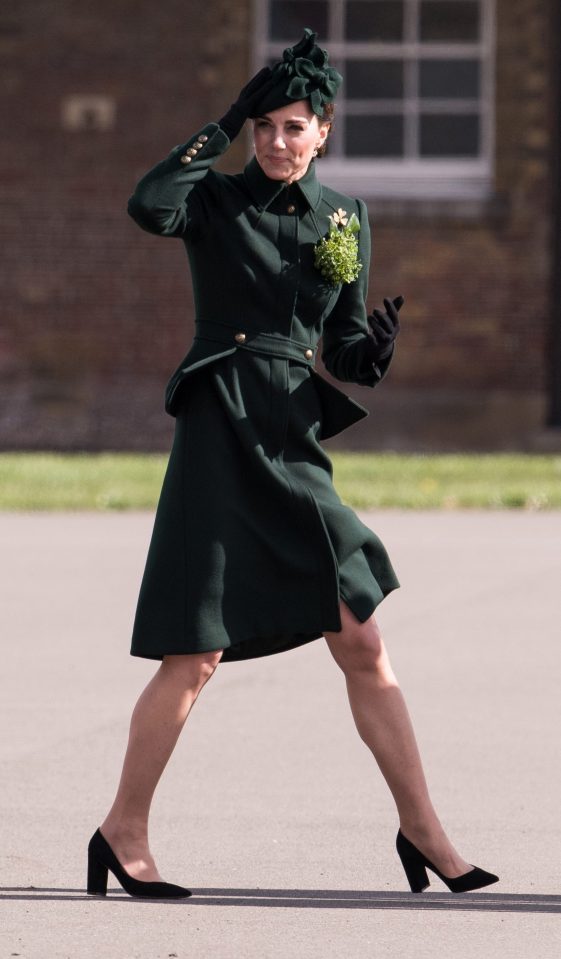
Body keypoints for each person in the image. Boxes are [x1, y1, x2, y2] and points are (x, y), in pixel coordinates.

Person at [87, 29, 498, 899]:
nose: (277, 140)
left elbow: (340, 346)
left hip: (289, 434)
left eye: (295, 126)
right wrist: (224, 117)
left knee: (360, 632)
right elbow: (147, 203)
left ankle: (423, 831)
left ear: (325, 132)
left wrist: (371, 352)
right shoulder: (212, 201)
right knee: (195, 654)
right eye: (265, 125)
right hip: (219, 427)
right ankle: (122, 831)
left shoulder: (343, 217)